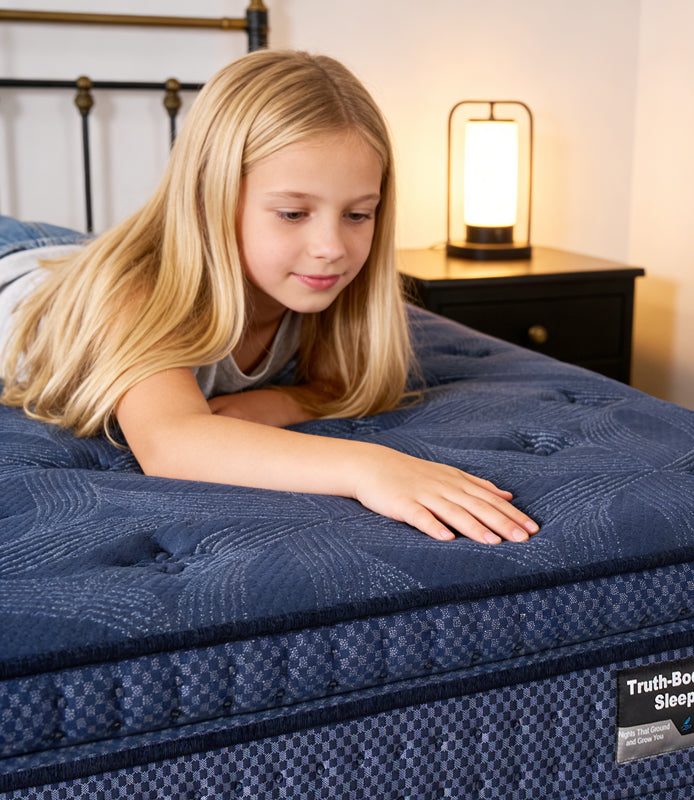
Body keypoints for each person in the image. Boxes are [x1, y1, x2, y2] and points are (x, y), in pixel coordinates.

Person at [0, 50, 537, 545]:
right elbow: (170, 443)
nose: (331, 248)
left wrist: (280, 401)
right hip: (23, 267)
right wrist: (371, 466)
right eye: (292, 213)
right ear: (211, 198)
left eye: (357, 214)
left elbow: (342, 385)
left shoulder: (321, 286)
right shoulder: (136, 292)